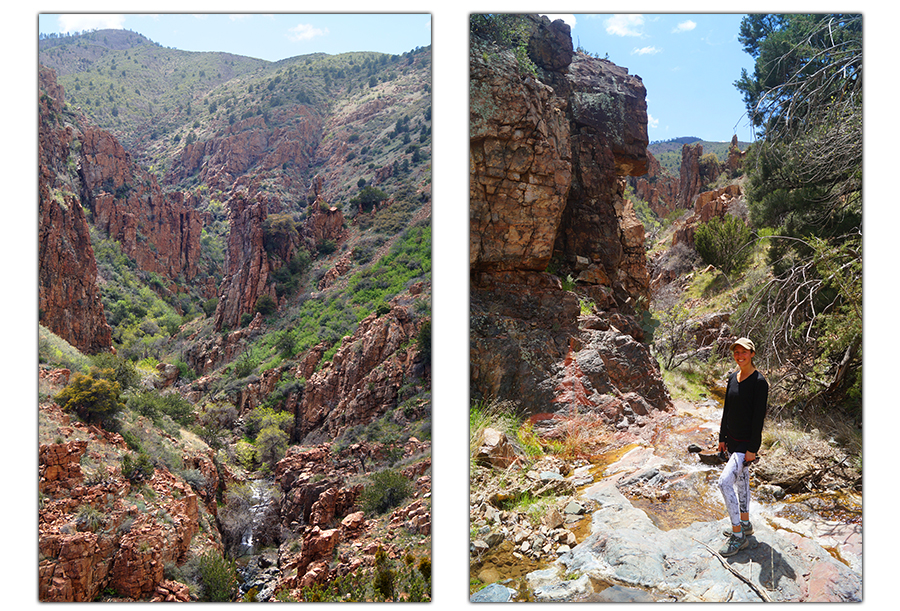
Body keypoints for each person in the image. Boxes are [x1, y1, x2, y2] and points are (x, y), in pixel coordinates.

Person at [716, 337, 768, 557]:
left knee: (724, 482)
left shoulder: (759, 382)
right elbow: (727, 409)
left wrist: (753, 448)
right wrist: (721, 437)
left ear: (752, 354)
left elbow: (758, 418)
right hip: (732, 441)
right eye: (736, 352)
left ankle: (738, 537)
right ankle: (745, 524)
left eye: (743, 352)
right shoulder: (732, 378)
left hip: (746, 444)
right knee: (741, 481)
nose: (739, 356)